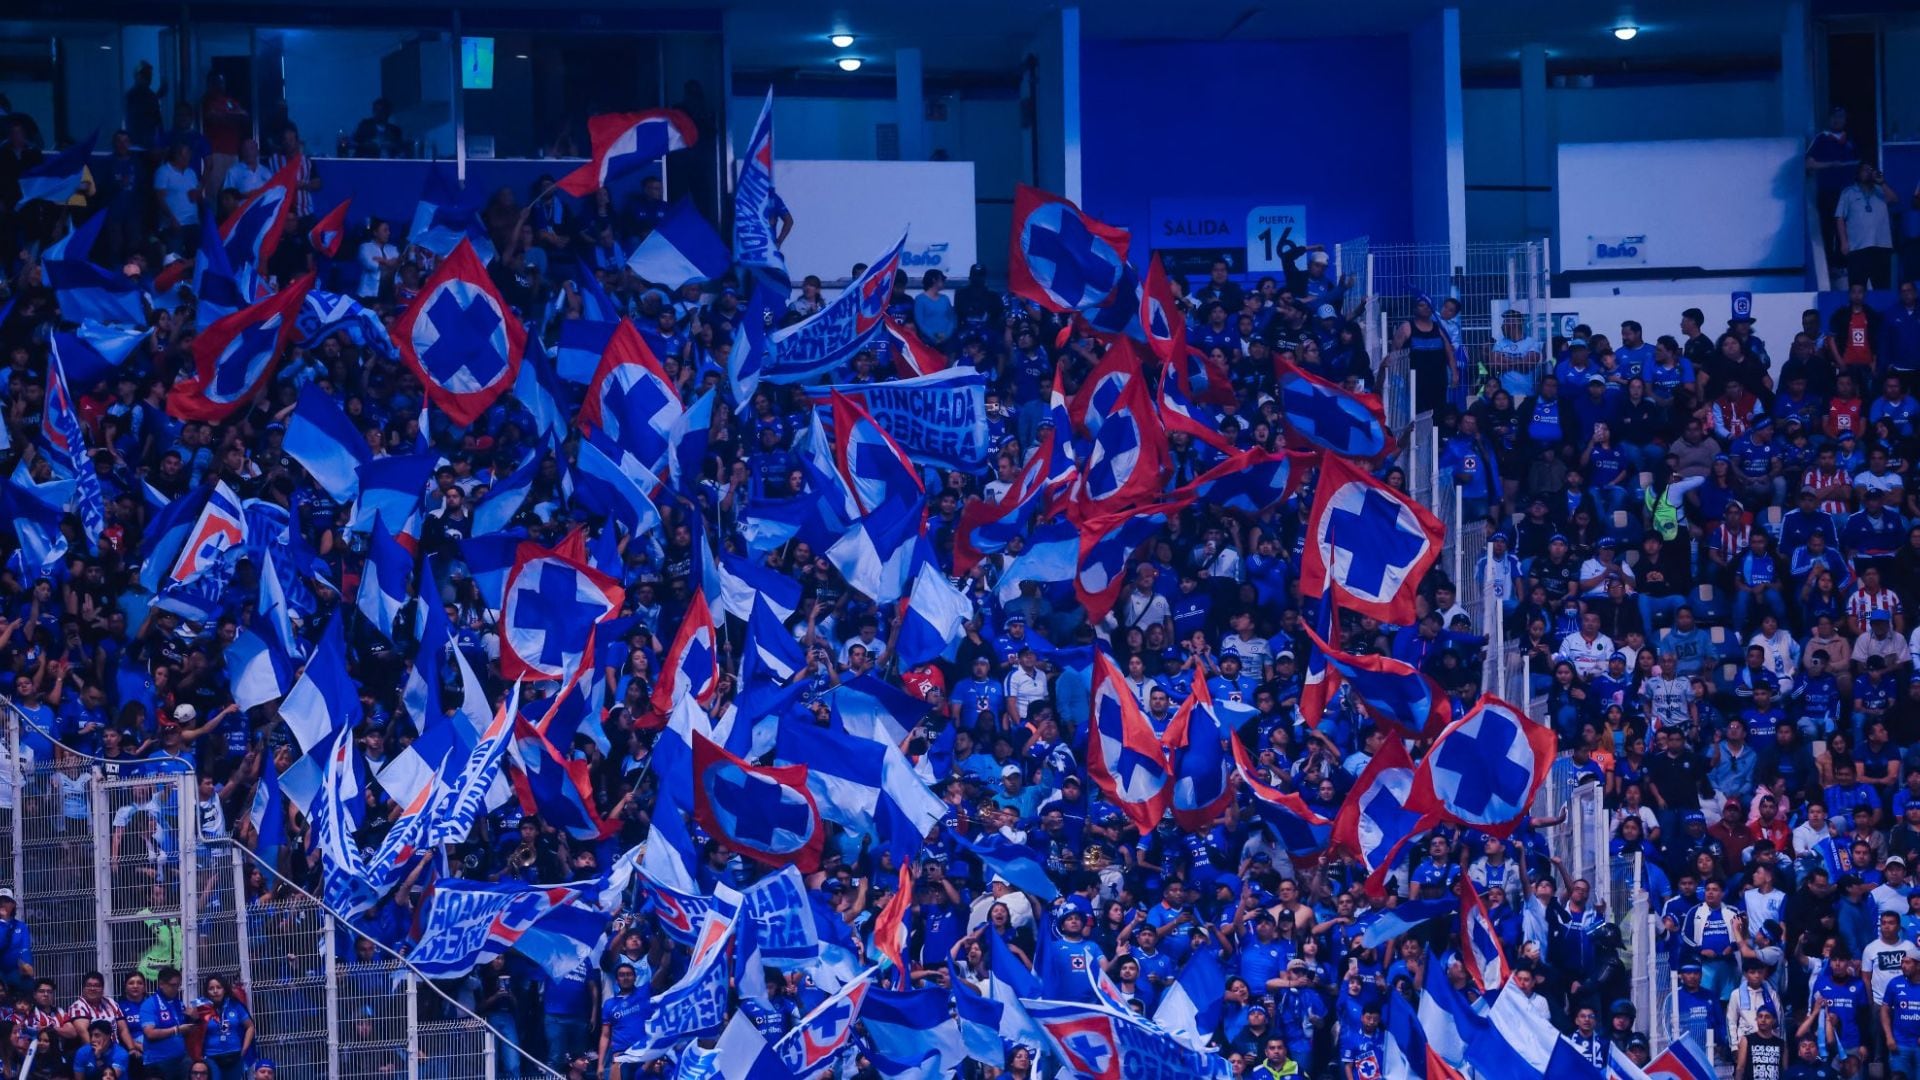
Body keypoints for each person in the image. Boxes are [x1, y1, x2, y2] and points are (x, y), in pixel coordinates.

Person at [1835, 162, 1899, 291]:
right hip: (1858, 248)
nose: (1868, 172)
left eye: (1870, 170)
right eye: (1865, 170)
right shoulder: (1848, 192)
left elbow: (1894, 200)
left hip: (1881, 246)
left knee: (1882, 288)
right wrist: (1843, 242)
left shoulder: (1880, 190)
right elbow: (1839, 218)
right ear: (1858, 173)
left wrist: (1881, 182)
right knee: (1857, 289)